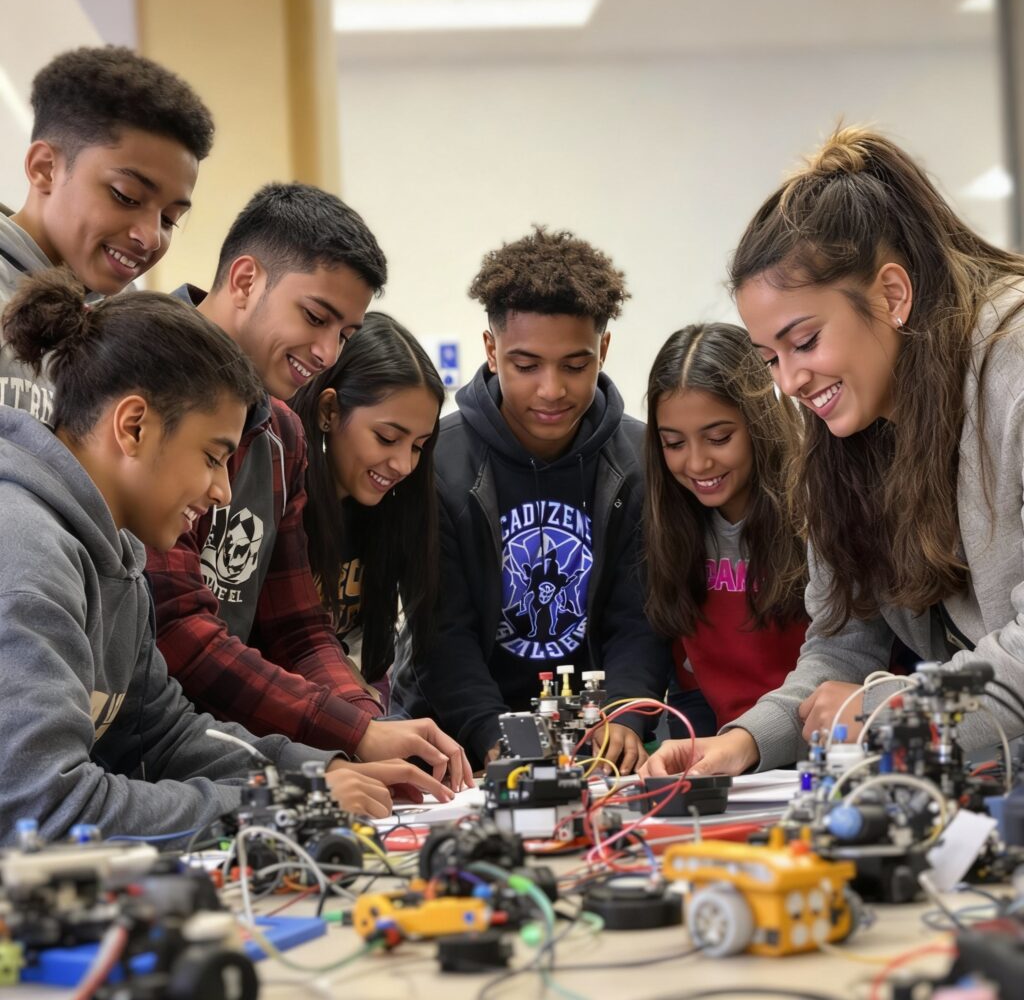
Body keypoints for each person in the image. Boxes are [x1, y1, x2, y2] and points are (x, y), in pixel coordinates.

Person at [0, 270, 441, 842]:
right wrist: (284, 804)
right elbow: (45, 809)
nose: (223, 492)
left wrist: (318, 772)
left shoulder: (120, 556)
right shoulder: (27, 559)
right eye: (212, 457)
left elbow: (163, 734)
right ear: (133, 427)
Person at [646, 126, 1024, 778]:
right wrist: (743, 743)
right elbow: (841, 646)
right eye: (770, 357)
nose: (789, 381)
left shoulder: (1010, 365)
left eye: (805, 341)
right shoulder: (850, 433)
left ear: (892, 295)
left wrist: (891, 709)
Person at [145, 184, 472, 791]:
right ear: (244, 280)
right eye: (315, 317)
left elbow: (298, 629)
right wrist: (352, 737)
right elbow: (175, 630)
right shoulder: (138, 374)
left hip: (228, 754)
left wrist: (371, 724)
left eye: (344, 335)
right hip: (145, 761)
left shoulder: (283, 434)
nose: (325, 352)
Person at [394, 226, 672, 773]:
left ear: (604, 351)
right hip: (457, 746)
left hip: (599, 743)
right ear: (492, 350)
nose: (551, 390)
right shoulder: (435, 462)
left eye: (575, 365)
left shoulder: (641, 459)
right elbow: (441, 635)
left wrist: (623, 715)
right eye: (527, 366)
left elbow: (642, 617)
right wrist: (494, 738)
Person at [0, 46, 213, 421]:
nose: (149, 238)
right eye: (126, 196)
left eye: (169, 219)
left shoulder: (133, 337)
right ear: (45, 168)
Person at [643, 322, 807, 737]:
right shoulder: (672, 530)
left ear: (759, 421)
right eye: (674, 444)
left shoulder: (814, 514)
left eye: (718, 438)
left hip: (821, 750)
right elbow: (690, 690)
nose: (697, 464)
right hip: (729, 765)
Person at [290, 312, 444, 708]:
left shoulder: (385, 515)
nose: (404, 465)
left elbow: (370, 665)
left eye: (417, 446)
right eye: (387, 437)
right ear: (329, 412)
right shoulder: (284, 506)